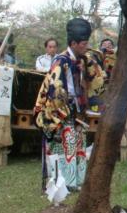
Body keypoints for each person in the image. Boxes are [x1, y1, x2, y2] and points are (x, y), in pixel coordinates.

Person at [34, 18, 106, 190]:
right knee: (65, 145)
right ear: (73, 43)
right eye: (83, 43)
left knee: (78, 144)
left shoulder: (82, 59)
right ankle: (62, 183)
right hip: (60, 111)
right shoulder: (61, 61)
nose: (86, 47)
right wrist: (66, 109)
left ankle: (77, 181)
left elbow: (94, 81)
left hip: (77, 111)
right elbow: (54, 90)